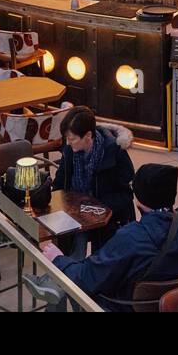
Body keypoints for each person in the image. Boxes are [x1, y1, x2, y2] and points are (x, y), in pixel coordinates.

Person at [38, 163, 178, 312]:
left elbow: (87, 278)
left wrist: (58, 259)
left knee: (67, 281)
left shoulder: (132, 238)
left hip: (125, 306)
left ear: (139, 200)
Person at [51, 106, 136, 249]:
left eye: (72, 139)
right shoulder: (70, 151)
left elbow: (126, 195)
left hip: (108, 220)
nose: (67, 143)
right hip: (76, 214)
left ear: (88, 136)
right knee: (71, 256)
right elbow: (59, 184)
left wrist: (95, 207)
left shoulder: (114, 153)